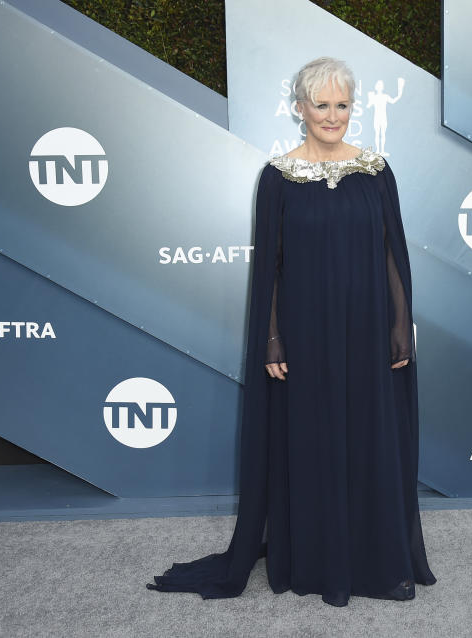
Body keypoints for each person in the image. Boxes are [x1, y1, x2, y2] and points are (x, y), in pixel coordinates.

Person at [146, 56, 436, 607]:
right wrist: (273, 338)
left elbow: (393, 255)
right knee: (312, 440)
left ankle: (372, 559)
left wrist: (401, 330)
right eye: (321, 105)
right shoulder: (278, 177)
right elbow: (270, 269)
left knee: (368, 438)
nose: (332, 116)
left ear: (354, 108)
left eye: (342, 105)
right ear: (299, 108)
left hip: (368, 331)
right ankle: (315, 559)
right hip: (303, 335)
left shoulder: (377, 172)